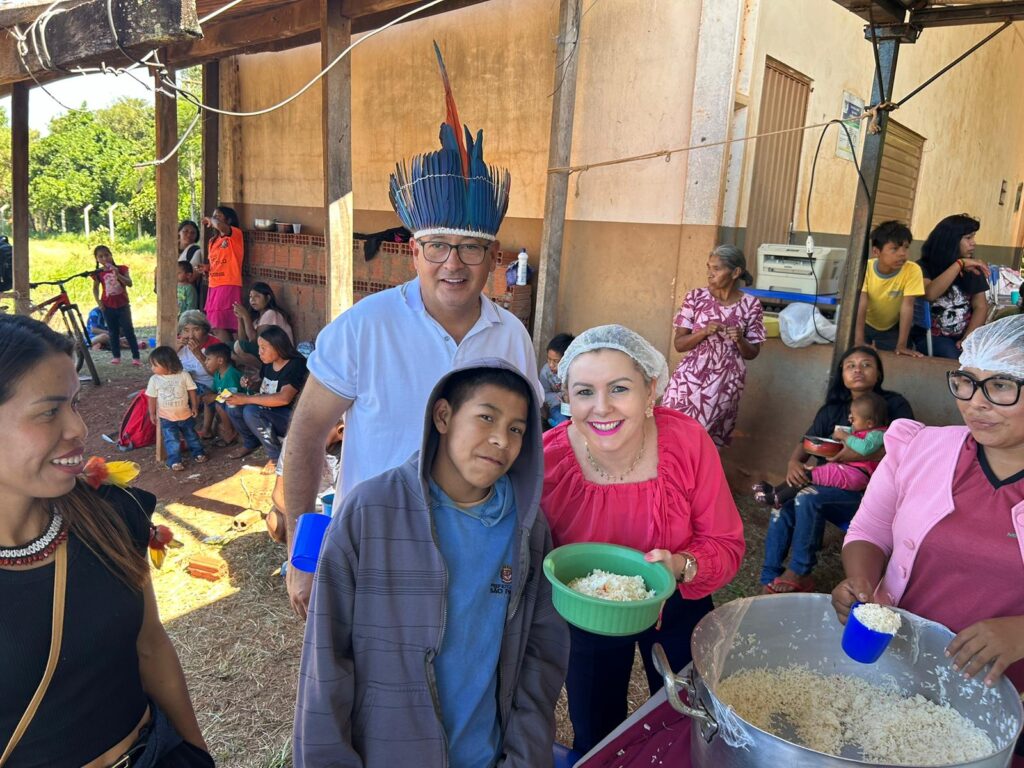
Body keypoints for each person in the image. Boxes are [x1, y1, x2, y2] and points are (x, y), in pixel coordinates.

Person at [281, 45, 539, 619]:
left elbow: (527, 454)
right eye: (438, 246)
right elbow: (306, 435)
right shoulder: (363, 328)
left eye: (471, 246)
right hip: (374, 551)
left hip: (478, 555)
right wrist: (305, 549)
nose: (454, 263)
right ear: (413, 251)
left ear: (493, 254)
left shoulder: (512, 338)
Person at [294, 362, 569, 768]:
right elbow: (326, 658)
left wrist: (525, 756)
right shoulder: (371, 512)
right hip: (386, 753)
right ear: (443, 416)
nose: (500, 439)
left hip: (485, 756)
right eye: (486, 417)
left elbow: (539, 657)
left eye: (516, 428)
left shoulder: (526, 528)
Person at [0, 314, 211, 766]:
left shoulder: (113, 514)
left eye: (74, 403)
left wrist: (196, 753)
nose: (77, 427)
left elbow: (149, 644)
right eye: (49, 410)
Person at [541, 324, 745, 755]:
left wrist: (681, 567)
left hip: (679, 610)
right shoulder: (547, 460)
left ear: (650, 390)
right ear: (565, 397)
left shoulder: (687, 441)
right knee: (596, 735)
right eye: (583, 392)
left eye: (619, 388)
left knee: (686, 728)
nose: (601, 408)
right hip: (587, 619)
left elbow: (725, 543)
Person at [832, 315, 1024, 716]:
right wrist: (862, 581)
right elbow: (871, 529)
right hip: (899, 668)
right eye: (966, 381)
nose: (976, 402)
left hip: (1004, 696)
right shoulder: (920, 449)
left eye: (1002, 385)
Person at [759, 345, 914, 594]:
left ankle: (800, 571)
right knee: (782, 506)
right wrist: (793, 463)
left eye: (866, 364)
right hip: (827, 482)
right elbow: (807, 441)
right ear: (842, 374)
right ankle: (769, 574)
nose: (858, 370)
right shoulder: (832, 410)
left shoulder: (893, 405)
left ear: (879, 373)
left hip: (867, 489)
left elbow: (906, 447)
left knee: (808, 497)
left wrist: (850, 454)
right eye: (850, 365)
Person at [661, 244, 765, 447]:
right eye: (708, 267)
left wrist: (740, 339)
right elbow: (679, 345)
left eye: (716, 269)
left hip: (726, 381)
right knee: (670, 429)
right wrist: (702, 332)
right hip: (689, 378)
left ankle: (695, 478)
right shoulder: (695, 298)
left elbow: (752, 353)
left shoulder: (751, 305)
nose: (710, 274)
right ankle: (669, 477)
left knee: (701, 440)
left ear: (735, 272)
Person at [753, 391, 889, 509]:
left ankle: (778, 499)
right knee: (808, 472)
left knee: (810, 475)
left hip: (858, 476)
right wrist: (838, 437)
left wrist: (845, 436)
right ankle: (775, 490)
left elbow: (864, 448)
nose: (850, 421)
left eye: (853, 418)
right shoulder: (863, 429)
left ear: (869, 423)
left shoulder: (877, 434)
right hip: (847, 471)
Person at [225, 326, 307, 471]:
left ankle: (276, 457)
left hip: (290, 418)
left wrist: (246, 399)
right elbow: (266, 388)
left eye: (263, 348)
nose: (259, 352)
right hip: (270, 411)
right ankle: (251, 443)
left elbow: (284, 398)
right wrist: (252, 385)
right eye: (259, 347)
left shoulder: (295, 365)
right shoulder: (268, 364)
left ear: (278, 346)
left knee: (251, 411)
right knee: (232, 406)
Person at [914, 214, 991, 358]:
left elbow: (980, 306)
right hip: (930, 337)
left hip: (963, 337)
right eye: (968, 238)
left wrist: (967, 339)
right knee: (951, 354)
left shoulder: (972, 269)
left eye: (973, 237)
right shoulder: (923, 266)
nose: (973, 243)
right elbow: (930, 294)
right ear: (951, 241)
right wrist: (959, 265)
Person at [855, 220, 925, 356]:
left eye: (905, 247)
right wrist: (858, 340)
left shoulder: (913, 270)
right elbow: (860, 303)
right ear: (876, 251)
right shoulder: (865, 268)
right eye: (895, 249)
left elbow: (908, 306)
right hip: (862, 324)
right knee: (856, 353)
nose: (902, 253)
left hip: (891, 327)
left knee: (897, 357)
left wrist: (902, 345)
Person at [146, 346, 207, 472]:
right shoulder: (154, 380)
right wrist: (152, 413)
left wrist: (194, 406)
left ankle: (198, 453)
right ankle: (175, 461)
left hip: (186, 414)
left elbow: (192, 391)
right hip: (166, 417)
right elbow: (151, 397)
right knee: (172, 440)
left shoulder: (184, 375)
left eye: (154, 365)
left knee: (192, 436)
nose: (152, 368)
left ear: (167, 364)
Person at [91, 244, 141, 366]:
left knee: (128, 331)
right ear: (97, 259)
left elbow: (129, 283)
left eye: (107, 255)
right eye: (101, 257)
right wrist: (99, 302)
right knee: (113, 332)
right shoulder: (98, 274)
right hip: (108, 306)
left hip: (123, 305)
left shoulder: (122, 269)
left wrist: (117, 274)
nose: (105, 259)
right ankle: (116, 356)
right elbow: (95, 288)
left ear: (111, 255)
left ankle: (136, 357)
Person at [201, 205, 244, 344]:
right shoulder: (213, 241)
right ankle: (231, 353)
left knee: (220, 325)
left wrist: (210, 219)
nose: (214, 219)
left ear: (229, 220)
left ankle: (230, 353)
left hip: (228, 282)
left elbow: (221, 227)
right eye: (214, 216)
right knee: (218, 324)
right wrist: (206, 268)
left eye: (218, 216)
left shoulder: (235, 234)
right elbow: (216, 262)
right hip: (214, 284)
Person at [232, 282, 293, 370]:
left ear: (268, 298)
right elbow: (242, 340)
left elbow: (255, 341)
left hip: (281, 354)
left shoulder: (271, 313)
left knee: (239, 347)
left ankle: (265, 370)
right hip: (267, 353)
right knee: (229, 349)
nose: (252, 300)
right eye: (250, 297)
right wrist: (240, 318)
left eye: (257, 296)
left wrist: (245, 316)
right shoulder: (257, 320)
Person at [200, 342, 241, 447]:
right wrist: (207, 395)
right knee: (207, 399)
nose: (206, 362)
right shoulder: (217, 373)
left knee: (218, 404)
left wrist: (214, 397)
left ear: (220, 360)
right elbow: (214, 390)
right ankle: (206, 430)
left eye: (208, 359)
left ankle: (230, 433)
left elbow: (232, 394)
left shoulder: (231, 373)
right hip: (225, 402)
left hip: (238, 404)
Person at [540, 332, 574, 428]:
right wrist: (559, 397)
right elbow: (544, 393)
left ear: (568, 359)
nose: (551, 365)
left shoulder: (575, 372)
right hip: (557, 407)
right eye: (549, 359)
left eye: (556, 361)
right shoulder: (546, 371)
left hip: (575, 407)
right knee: (562, 423)